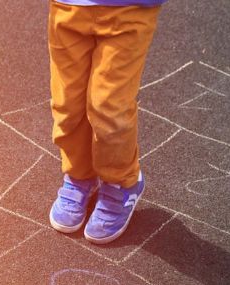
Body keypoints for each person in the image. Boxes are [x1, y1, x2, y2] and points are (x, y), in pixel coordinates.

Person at [47, 0, 166, 244]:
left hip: (129, 8)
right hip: (69, 6)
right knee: (68, 103)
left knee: (108, 108)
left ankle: (121, 182)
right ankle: (80, 174)